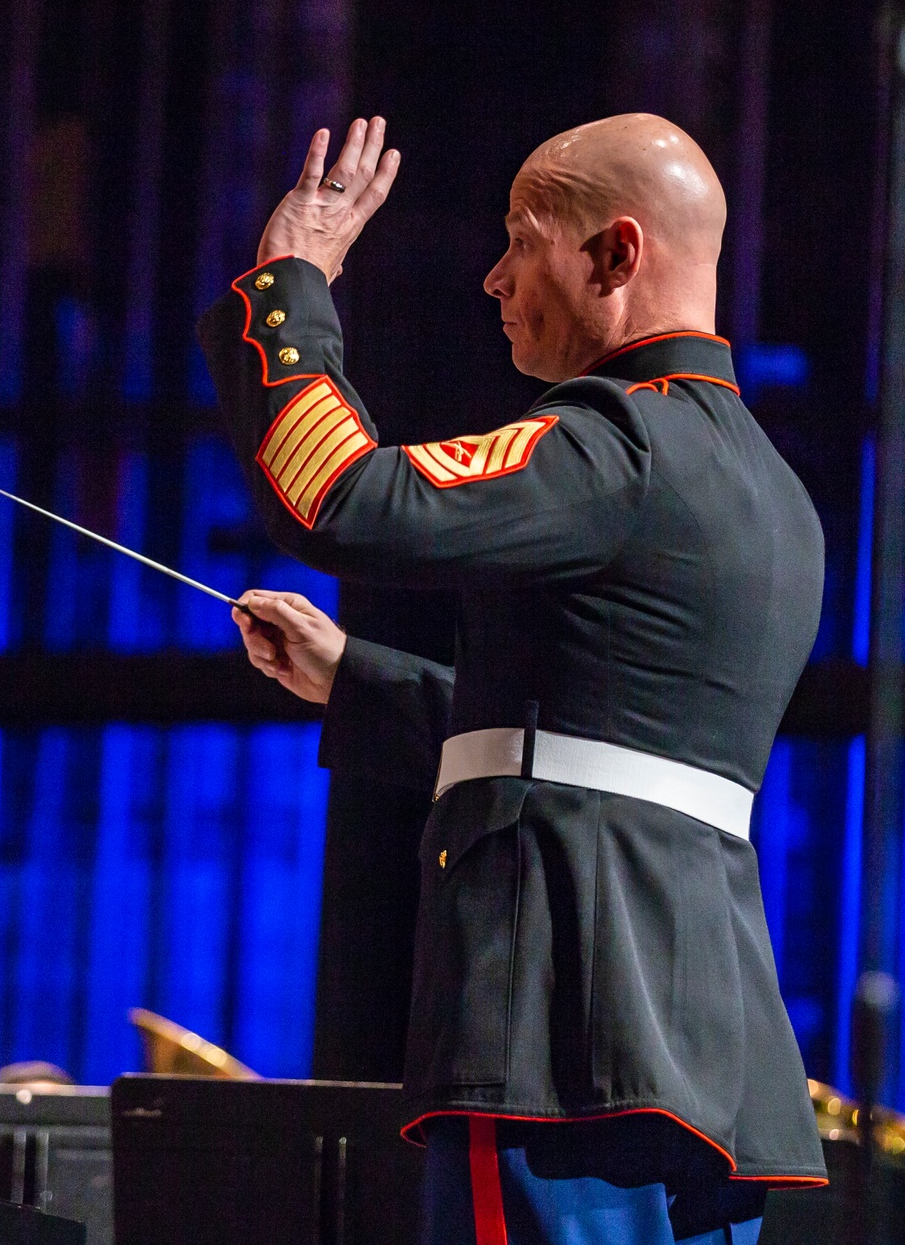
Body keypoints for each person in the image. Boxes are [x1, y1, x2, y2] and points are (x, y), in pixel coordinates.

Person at [197, 113, 828, 1244]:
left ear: (615, 256)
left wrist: (290, 282)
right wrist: (356, 676)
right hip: (696, 1060)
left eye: (521, 240)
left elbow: (342, 495)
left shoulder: (614, 442)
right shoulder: (772, 491)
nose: (492, 277)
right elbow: (600, 748)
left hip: (565, 1034)